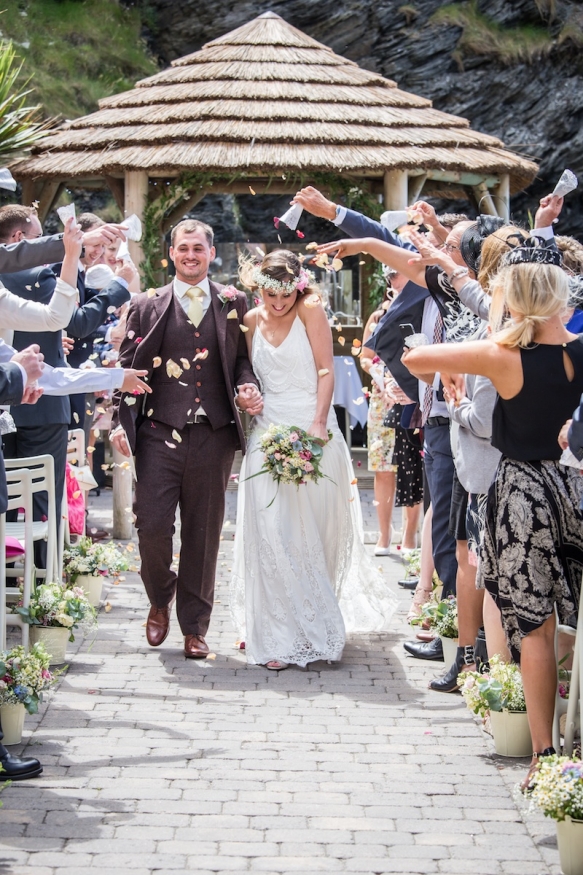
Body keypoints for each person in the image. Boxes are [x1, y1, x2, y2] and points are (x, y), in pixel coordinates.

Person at [401, 240, 583, 789]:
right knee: (570, 622)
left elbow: (414, 358)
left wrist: (492, 336)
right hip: (573, 487)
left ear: (515, 302)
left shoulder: (500, 355)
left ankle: (543, 753)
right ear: (560, 299)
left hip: (523, 493)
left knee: (534, 628)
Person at [229, 250, 397, 670]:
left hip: (312, 430)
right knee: (271, 532)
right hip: (266, 434)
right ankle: (277, 632)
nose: (277, 302)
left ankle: (309, 622)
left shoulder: (311, 309)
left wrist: (320, 423)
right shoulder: (249, 322)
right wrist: (245, 397)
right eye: (269, 293)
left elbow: (326, 371)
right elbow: (245, 376)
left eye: (284, 293)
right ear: (259, 288)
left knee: (313, 534)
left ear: (298, 287)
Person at [110, 218, 262, 660]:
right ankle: (160, 598)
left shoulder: (234, 302)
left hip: (213, 435)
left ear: (212, 253)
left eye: (198, 248)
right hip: (158, 433)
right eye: (183, 248)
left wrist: (247, 386)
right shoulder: (144, 304)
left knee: (204, 533)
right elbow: (127, 370)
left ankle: (195, 628)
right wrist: (121, 421)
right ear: (171, 253)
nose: (191, 255)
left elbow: (241, 362)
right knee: (152, 526)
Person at [360, 270, 422, 556]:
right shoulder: (376, 317)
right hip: (382, 401)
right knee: (383, 468)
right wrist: (380, 378)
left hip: (411, 397)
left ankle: (410, 535)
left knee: (412, 467)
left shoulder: (421, 310)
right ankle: (384, 534)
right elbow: (364, 356)